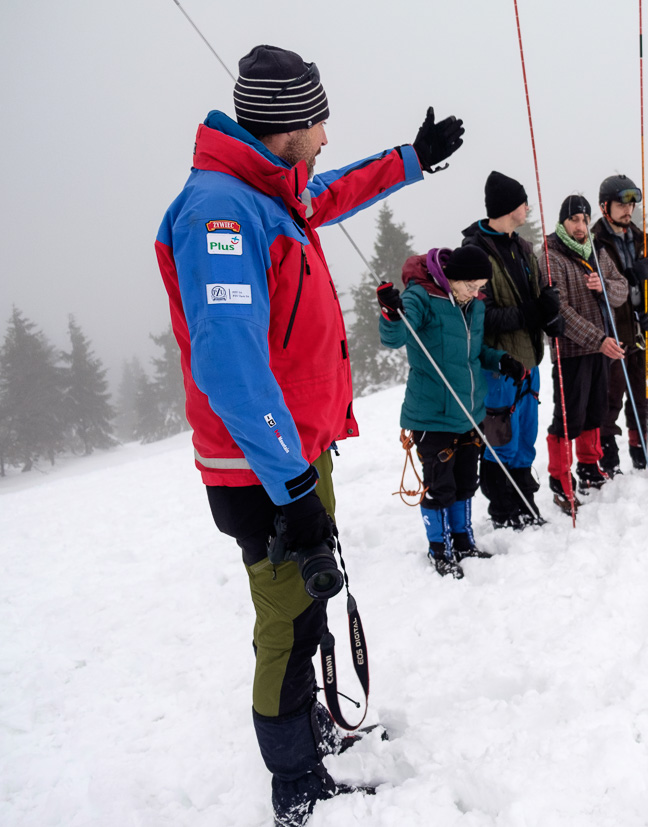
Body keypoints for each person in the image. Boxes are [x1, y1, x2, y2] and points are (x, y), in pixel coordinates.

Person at [154, 45, 463, 826]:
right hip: (261, 469)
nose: (325, 134)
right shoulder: (220, 213)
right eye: (318, 119)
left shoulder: (271, 192)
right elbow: (229, 364)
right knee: (286, 622)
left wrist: (410, 160)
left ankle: (312, 732)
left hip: (294, 456)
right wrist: (291, 489)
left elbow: (333, 189)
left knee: (308, 605)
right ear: (288, 121)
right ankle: (295, 783)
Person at [376, 246, 525, 578]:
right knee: (440, 486)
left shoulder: (473, 306)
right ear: (452, 277)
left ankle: (463, 542)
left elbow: (472, 352)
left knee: (465, 482)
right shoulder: (422, 297)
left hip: (470, 411)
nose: (476, 293)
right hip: (434, 412)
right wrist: (390, 312)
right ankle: (440, 549)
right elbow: (396, 336)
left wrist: (499, 359)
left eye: (480, 287)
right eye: (471, 285)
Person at [461, 171, 562, 530]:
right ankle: (503, 508)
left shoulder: (522, 247)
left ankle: (524, 502)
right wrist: (529, 312)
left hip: (529, 358)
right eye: (523, 201)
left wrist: (549, 311)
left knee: (525, 438)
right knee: (501, 437)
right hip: (499, 364)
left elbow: (535, 298)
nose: (528, 207)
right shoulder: (473, 252)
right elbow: (478, 315)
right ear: (507, 207)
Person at [541, 195, 628, 510]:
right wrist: (598, 338)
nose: (580, 226)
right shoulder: (551, 257)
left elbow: (621, 288)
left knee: (595, 411)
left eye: (584, 219)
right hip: (570, 352)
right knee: (568, 418)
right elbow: (559, 310)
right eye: (574, 220)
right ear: (563, 222)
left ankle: (589, 467)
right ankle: (561, 481)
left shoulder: (597, 251)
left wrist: (603, 284)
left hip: (598, 350)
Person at [592, 175, 648, 473]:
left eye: (632, 203)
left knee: (642, 391)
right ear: (605, 206)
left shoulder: (641, 238)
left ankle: (639, 443)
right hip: (613, 331)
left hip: (641, 330)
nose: (628, 209)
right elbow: (599, 287)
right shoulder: (594, 241)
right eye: (621, 203)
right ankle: (607, 454)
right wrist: (632, 275)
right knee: (611, 396)